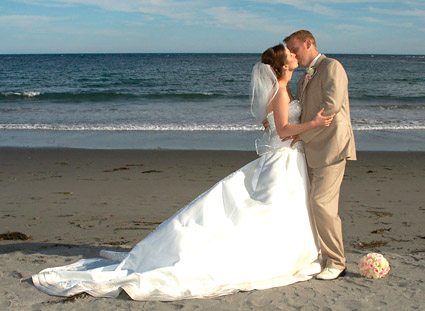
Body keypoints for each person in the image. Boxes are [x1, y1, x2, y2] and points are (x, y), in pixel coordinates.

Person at [32, 44, 334, 301]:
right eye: (290, 55)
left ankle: (291, 253)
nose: (295, 56)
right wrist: (313, 125)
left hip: (286, 157)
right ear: (283, 66)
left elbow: (275, 128)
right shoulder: (280, 94)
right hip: (282, 161)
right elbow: (281, 128)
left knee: (278, 210)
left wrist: (297, 131)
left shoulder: (283, 89)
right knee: (269, 209)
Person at [283, 30, 357, 280]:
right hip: (313, 148)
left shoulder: (332, 66)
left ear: (309, 43)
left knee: (321, 204)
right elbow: (304, 111)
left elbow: (332, 107)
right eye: (290, 52)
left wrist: (303, 135)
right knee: (313, 203)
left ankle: (337, 262)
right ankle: (323, 257)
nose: (293, 55)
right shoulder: (306, 75)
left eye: (295, 50)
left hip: (332, 146)